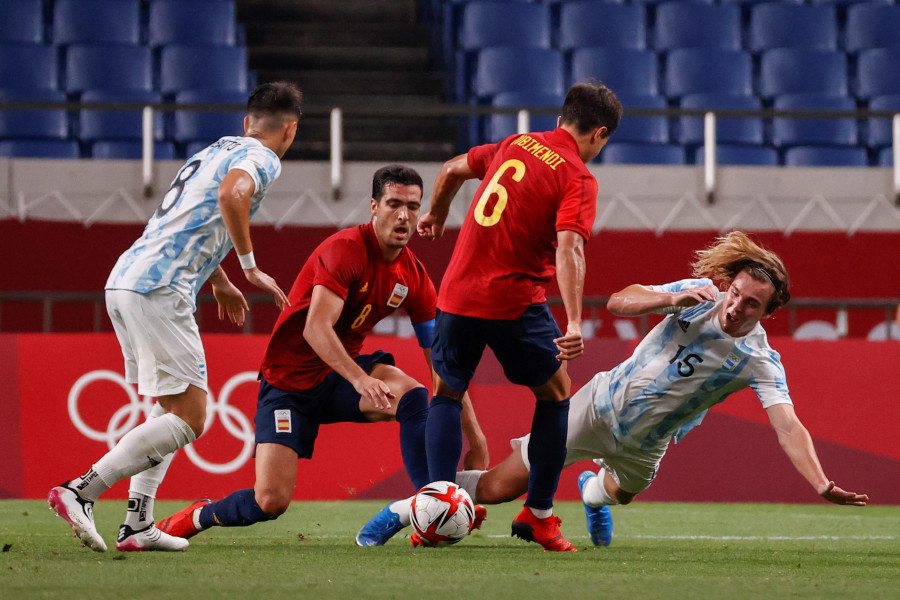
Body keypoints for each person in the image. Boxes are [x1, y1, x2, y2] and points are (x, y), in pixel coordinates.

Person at [358, 230, 869, 549]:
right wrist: (667, 301)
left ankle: (591, 495)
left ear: (767, 314)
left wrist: (821, 483)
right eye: (736, 293)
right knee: (499, 488)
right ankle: (410, 507)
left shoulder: (759, 360)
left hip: (648, 444)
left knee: (617, 494)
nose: (735, 307)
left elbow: (787, 425)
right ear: (727, 284)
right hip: (597, 409)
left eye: (751, 304)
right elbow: (620, 302)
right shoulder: (698, 296)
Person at [154, 165, 488, 543]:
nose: (404, 215)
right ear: (374, 207)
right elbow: (316, 329)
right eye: (394, 204)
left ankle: (426, 509)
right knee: (269, 502)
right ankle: (198, 516)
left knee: (413, 395)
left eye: (413, 207)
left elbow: (440, 361)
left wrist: (474, 434)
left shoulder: (413, 276)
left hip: (337, 379)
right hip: (289, 384)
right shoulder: (344, 250)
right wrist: (362, 380)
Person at [48, 81, 303, 552]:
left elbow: (192, 216)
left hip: (127, 278)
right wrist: (249, 268)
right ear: (290, 130)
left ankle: (138, 524)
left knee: (169, 407)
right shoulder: (265, 158)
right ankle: (80, 490)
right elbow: (231, 196)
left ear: (247, 122)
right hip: (159, 288)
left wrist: (218, 277)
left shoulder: (213, 149)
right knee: (190, 417)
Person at [413, 81, 622, 552]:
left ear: (563, 116)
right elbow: (570, 248)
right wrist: (572, 321)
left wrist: (437, 214)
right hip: (513, 302)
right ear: (599, 134)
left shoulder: (515, 143)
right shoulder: (577, 176)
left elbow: (450, 170)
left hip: (456, 295)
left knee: (446, 394)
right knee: (556, 394)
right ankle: (539, 516)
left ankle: (434, 513)